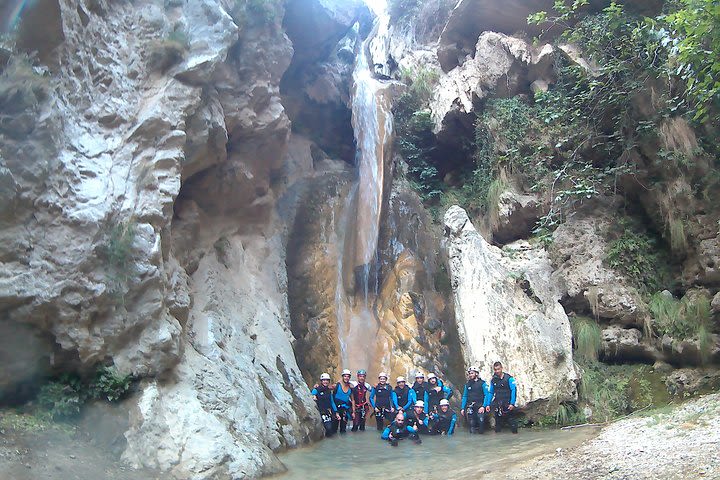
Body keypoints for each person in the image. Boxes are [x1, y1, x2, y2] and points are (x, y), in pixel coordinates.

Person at [486, 361, 518, 434]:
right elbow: (491, 392)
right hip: (498, 403)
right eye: (495, 369)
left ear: (501, 368)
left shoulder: (509, 378)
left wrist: (512, 403)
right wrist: (488, 404)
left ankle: (515, 437)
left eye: (498, 369)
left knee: (511, 422)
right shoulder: (493, 380)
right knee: (498, 423)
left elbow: (514, 390)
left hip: (508, 403)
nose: (497, 371)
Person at [461, 366, 490, 434]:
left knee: (481, 421)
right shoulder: (467, 385)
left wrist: (483, 406)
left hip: (480, 405)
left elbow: (486, 395)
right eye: (469, 374)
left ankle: (481, 437)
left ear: (476, 374)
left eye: (472, 373)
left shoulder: (482, 383)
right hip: (470, 406)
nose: (470, 375)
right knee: (471, 423)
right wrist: (462, 408)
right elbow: (465, 396)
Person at [333, 369, 353, 434]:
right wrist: (316, 388)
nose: (346, 378)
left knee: (343, 429)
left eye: (348, 376)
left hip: (345, 409)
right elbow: (326, 388)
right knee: (334, 427)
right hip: (336, 409)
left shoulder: (350, 387)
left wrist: (353, 412)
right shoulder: (337, 385)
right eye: (345, 376)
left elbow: (353, 400)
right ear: (342, 377)